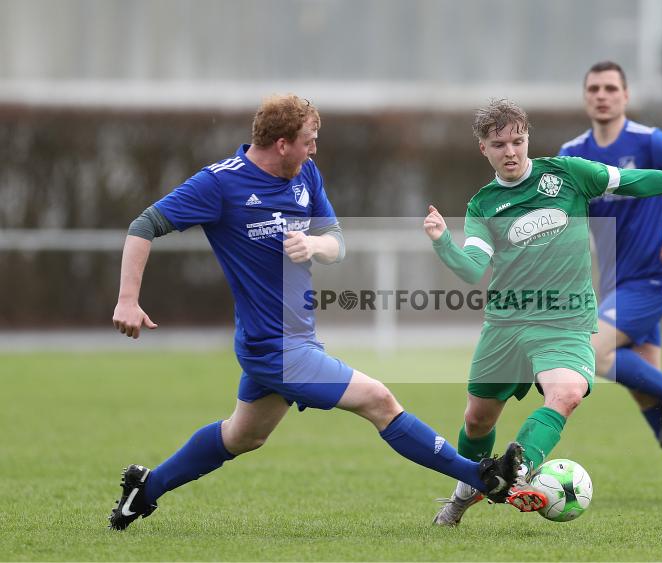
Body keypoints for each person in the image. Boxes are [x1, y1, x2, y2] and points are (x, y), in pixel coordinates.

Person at [107, 94, 545, 530]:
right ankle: (481, 477)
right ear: (281, 143)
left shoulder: (305, 174)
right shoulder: (219, 184)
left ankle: (144, 491)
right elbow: (144, 225)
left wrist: (315, 244)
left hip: (297, 338)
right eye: (309, 140)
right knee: (378, 399)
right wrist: (128, 300)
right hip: (272, 345)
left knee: (243, 435)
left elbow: (336, 241)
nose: (315, 148)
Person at [424, 98, 662, 525]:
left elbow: (637, 180)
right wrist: (443, 241)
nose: (511, 151)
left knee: (568, 393)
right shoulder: (484, 204)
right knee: (477, 421)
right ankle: (462, 496)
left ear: (527, 138)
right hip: (507, 323)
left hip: (565, 319)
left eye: (518, 140)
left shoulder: (569, 173)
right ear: (484, 148)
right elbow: (472, 267)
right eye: (500, 144)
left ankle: (521, 464)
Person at [558, 61, 662, 499]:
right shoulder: (572, 153)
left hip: (651, 278)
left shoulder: (650, 141)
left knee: (587, 353)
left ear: (625, 96)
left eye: (611, 87)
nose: (602, 94)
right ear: (585, 96)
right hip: (613, 284)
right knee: (643, 392)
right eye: (593, 87)